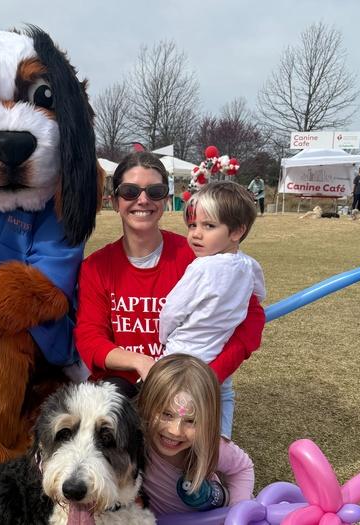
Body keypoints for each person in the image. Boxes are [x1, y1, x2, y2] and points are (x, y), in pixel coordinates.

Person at [74, 151, 265, 398]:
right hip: (123, 387)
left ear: (165, 199)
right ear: (115, 201)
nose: (143, 200)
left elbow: (251, 320)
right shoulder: (97, 266)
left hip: (189, 384)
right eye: (130, 191)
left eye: (155, 192)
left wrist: (209, 376)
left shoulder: (201, 256)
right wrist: (140, 362)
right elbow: (90, 338)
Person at [159, 182, 265, 438]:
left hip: (182, 357)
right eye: (192, 225)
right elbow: (259, 296)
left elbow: (172, 310)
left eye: (208, 226)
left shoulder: (201, 268)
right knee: (223, 394)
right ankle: (221, 441)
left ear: (237, 231)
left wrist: (164, 337)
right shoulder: (250, 266)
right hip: (217, 353)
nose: (196, 234)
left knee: (172, 409)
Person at [138, 354, 254, 518]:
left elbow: (242, 468)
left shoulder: (210, 444)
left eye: (191, 421)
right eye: (166, 414)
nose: (175, 431)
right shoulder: (135, 441)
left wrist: (237, 512)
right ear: (146, 405)